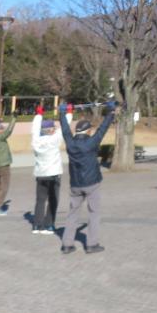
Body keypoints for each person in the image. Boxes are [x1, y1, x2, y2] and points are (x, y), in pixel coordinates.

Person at [59, 101, 116, 254]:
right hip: (92, 183)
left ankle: (67, 245)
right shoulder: (92, 142)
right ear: (88, 131)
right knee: (94, 213)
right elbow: (103, 129)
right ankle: (91, 244)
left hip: (75, 184)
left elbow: (65, 130)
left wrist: (61, 114)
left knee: (72, 214)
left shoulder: (70, 143)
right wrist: (110, 112)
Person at [31, 104, 71, 233]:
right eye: (54, 127)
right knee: (53, 200)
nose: (55, 128)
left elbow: (34, 129)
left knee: (40, 200)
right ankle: (48, 225)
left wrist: (38, 115)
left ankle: (37, 225)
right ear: (51, 130)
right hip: (53, 175)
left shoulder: (36, 141)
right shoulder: (55, 139)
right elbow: (65, 126)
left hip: (40, 175)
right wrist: (68, 113)